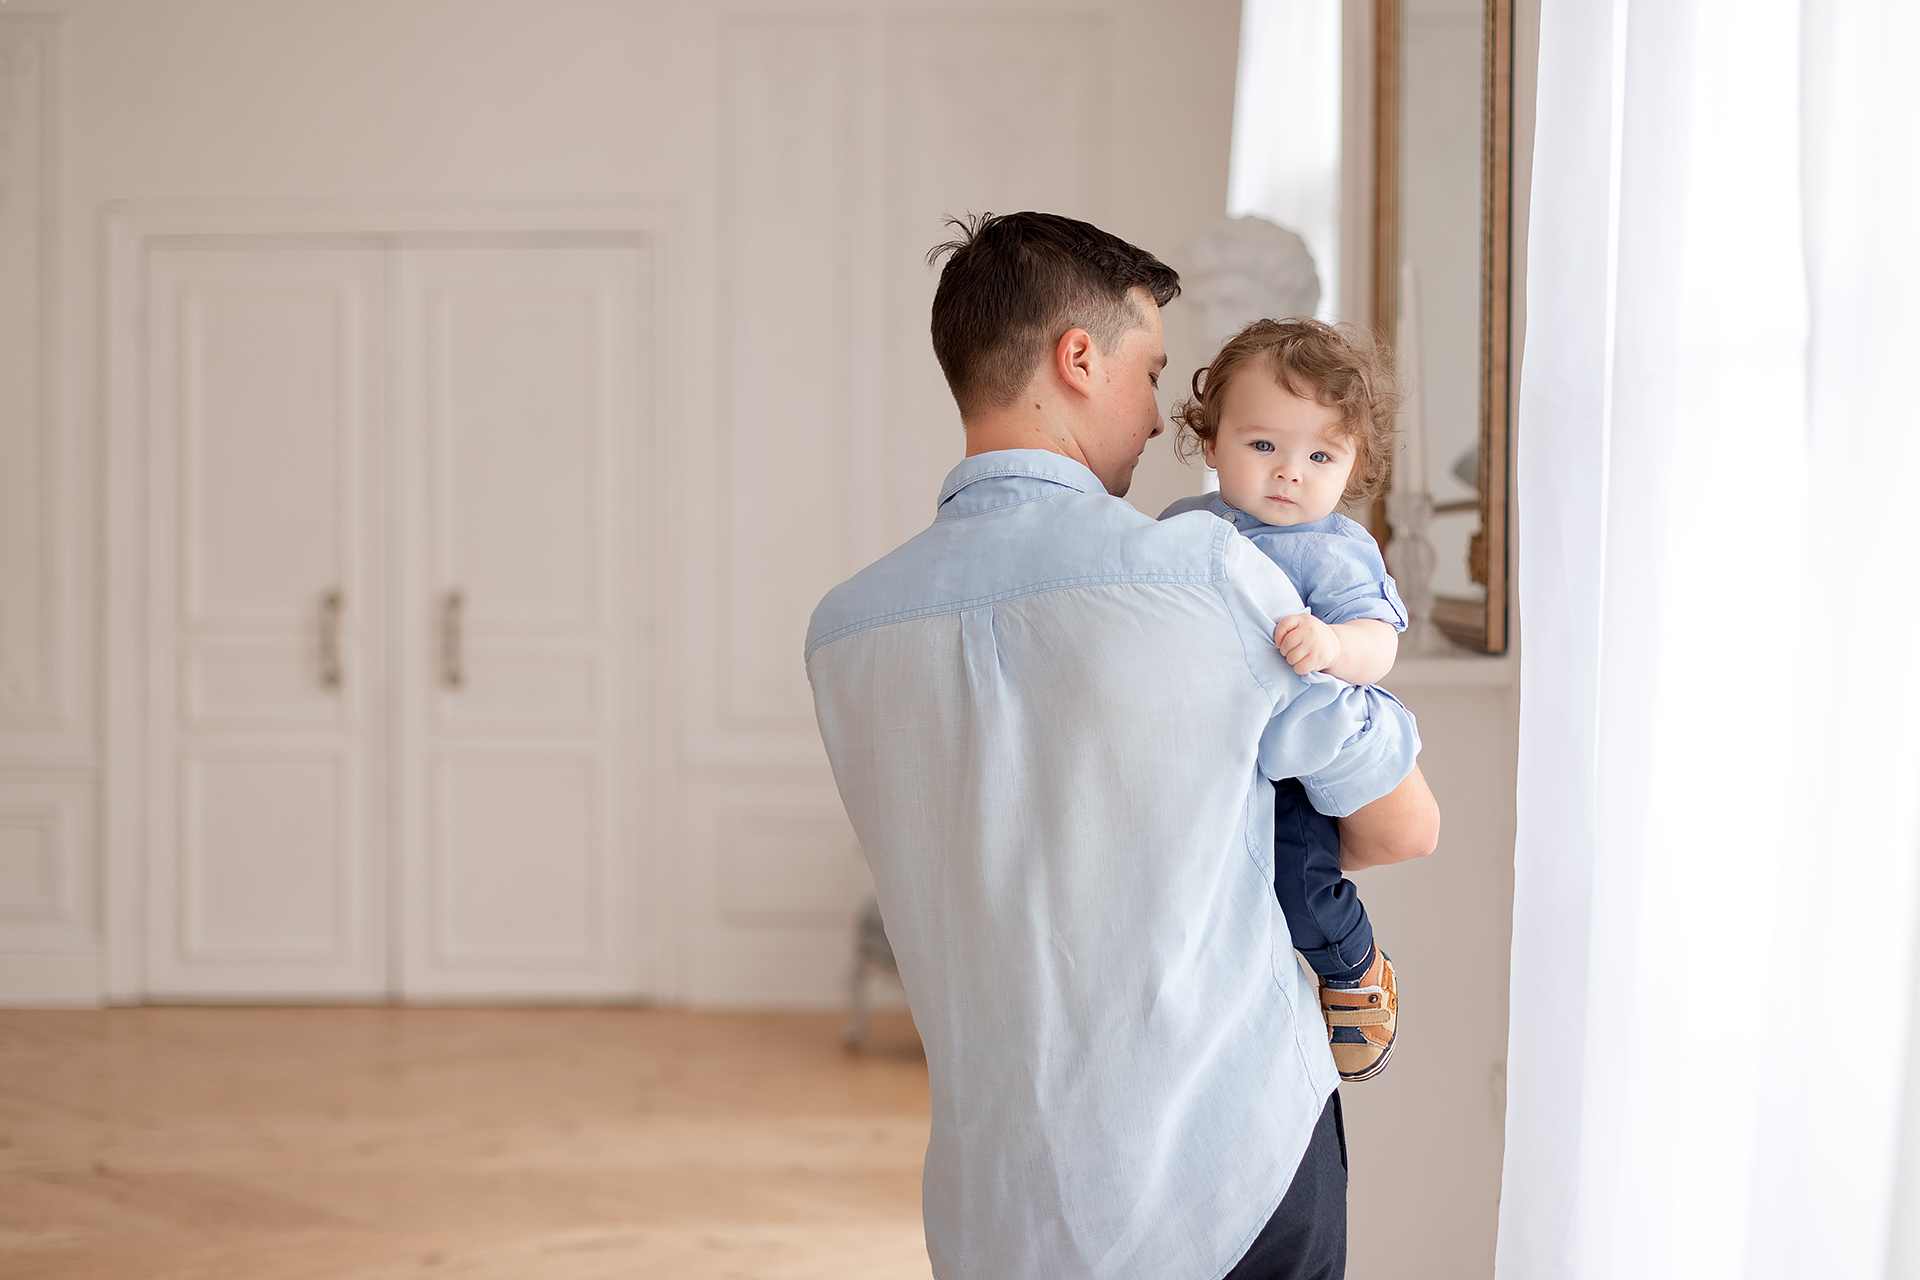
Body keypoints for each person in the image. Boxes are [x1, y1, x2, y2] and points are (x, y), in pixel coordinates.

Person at [806, 212, 1439, 1280]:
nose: (1156, 420)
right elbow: (1402, 822)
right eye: (1149, 372)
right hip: (1231, 1170)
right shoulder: (1202, 576)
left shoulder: (847, 629)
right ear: (1079, 357)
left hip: (994, 1205)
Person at [1160, 317, 1409, 1083]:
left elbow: (1381, 639)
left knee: (1297, 877)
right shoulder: (1183, 527)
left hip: (1291, 766)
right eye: (1262, 445)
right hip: (1204, 749)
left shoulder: (1330, 548)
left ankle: (1352, 964)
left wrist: (1334, 647)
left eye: (1320, 454)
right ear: (1212, 442)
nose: (1288, 472)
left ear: (1352, 463)